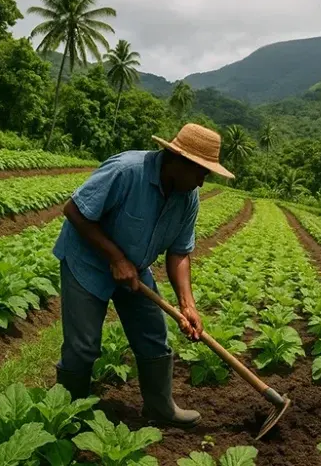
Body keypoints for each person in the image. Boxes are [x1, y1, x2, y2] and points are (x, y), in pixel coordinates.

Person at [52, 123, 234, 427]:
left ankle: (160, 407)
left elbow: (179, 252)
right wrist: (115, 257)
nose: (202, 183)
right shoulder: (126, 171)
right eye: (201, 173)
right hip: (87, 261)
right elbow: (74, 210)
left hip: (134, 269)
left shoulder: (187, 199)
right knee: (83, 346)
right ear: (180, 161)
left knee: (154, 337)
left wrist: (187, 304)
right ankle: (66, 417)